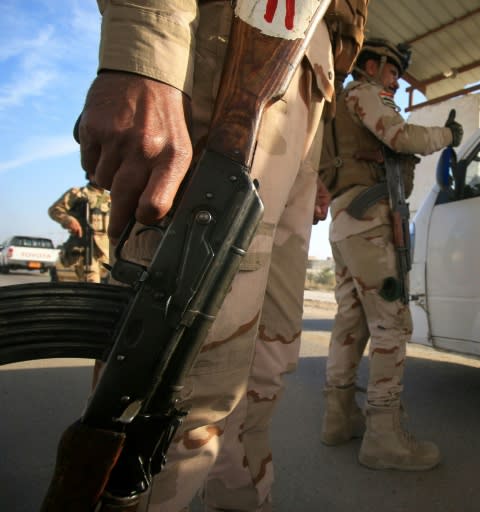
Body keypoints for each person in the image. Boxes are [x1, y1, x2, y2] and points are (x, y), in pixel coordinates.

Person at [77, 0, 367, 510]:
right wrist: (143, 51)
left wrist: (312, 165)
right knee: (176, 387)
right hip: (235, 43)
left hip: (306, 79)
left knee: (263, 366)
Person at [317, 38, 463, 471]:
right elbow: (400, 137)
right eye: (393, 72)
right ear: (372, 67)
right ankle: (383, 434)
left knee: (351, 321)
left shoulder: (340, 105)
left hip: (346, 221)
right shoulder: (363, 94)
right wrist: (447, 136)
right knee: (391, 323)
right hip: (370, 221)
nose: (396, 82)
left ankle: (338, 417)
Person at [48, 170, 110, 283]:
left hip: (106, 250)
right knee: (92, 285)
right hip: (85, 246)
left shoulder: (110, 198)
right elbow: (54, 210)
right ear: (90, 175)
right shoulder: (77, 193)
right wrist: (68, 220)